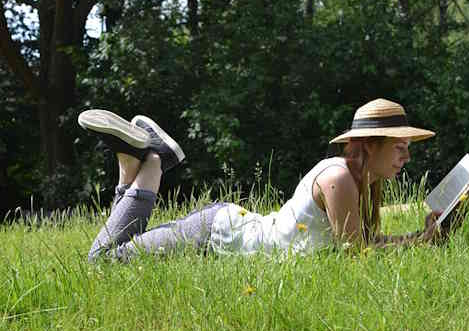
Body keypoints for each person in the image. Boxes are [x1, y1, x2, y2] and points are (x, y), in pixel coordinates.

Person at [79, 99, 444, 262]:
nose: (407, 157)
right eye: (399, 147)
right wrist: (420, 243)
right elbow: (357, 253)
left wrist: (419, 238)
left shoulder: (359, 181)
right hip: (214, 235)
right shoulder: (339, 178)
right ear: (371, 145)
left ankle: (132, 166)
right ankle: (154, 162)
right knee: (103, 262)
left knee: (117, 254)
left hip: (224, 236)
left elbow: (364, 242)